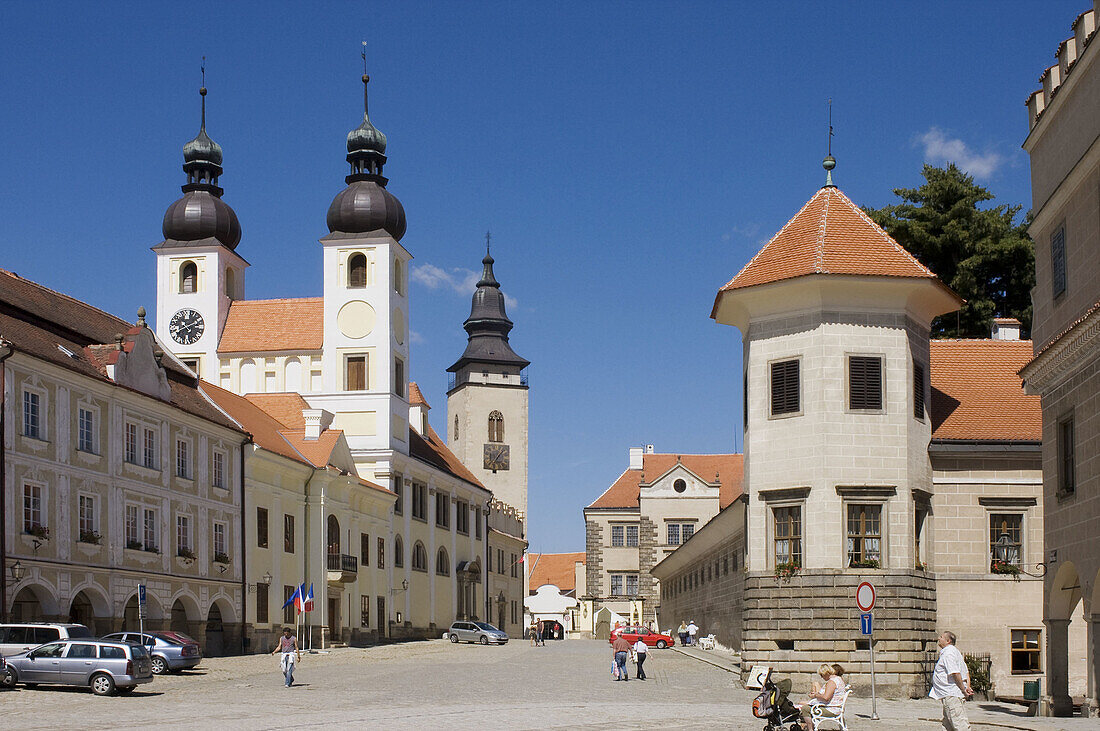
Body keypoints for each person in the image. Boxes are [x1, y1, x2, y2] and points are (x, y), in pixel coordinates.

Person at [929, 630, 973, 731]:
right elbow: (965, 672)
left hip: (952, 694)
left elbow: (955, 673)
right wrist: (967, 687)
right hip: (949, 694)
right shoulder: (955, 652)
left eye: (941, 637)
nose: (939, 639)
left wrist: (963, 689)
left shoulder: (949, 654)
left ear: (948, 641)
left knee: (960, 724)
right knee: (948, 725)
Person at [799, 663, 847, 729]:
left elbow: (826, 698)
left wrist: (816, 695)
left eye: (822, 675)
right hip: (836, 707)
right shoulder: (838, 679)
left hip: (831, 709)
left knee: (805, 708)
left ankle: (810, 729)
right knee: (808, 705)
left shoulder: (832, 682)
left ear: (826, 673)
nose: (822, 677)